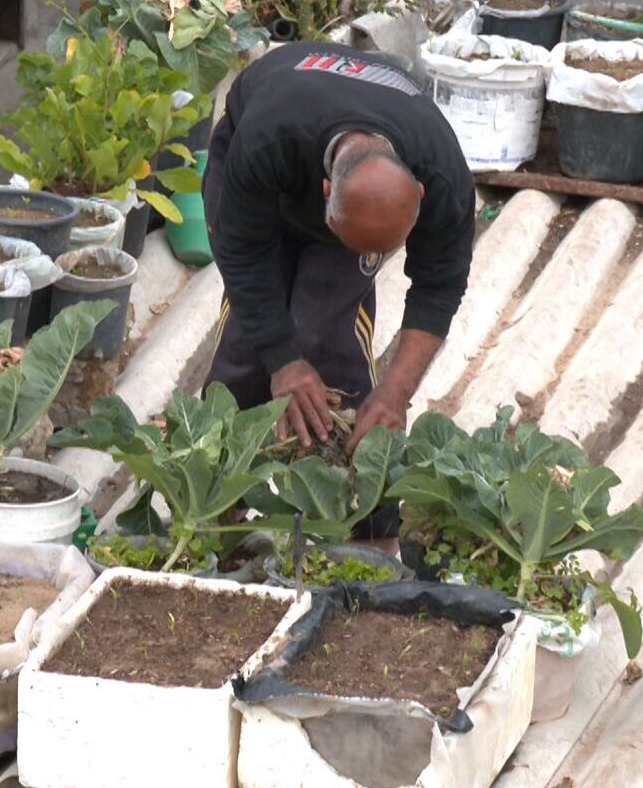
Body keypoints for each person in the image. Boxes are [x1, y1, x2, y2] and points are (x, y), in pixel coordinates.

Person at [203, 40, 476, 532]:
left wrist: (396, 393)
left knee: (331, 341)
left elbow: (440, 288)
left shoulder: (443, 171)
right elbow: (244, 256)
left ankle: (355, 525)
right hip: (260, 155)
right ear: (326, 191)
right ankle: (212, 511)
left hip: (349, 178)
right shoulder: (268, 137)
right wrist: (282, 362)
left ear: (419, 192)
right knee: (249, 345)